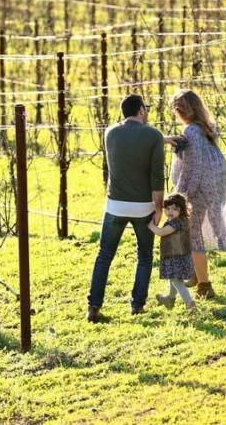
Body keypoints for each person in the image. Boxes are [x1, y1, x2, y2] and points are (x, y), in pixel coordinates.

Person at [87, 95, 165, 323]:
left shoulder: (110, 132)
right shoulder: (153, 136)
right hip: (143, 207)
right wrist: (158, 208)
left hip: (115, 205)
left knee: (104, 256)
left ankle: (93, 306)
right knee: (144, 255)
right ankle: (137, 305)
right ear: (141, 110)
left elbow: (130, 148)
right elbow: (156, 176)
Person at [169, 89, 226, 299]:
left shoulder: (191, 132)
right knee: (194, 232)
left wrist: (181, 194)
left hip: (199, 189)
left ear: (180, 111)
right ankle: (197, 276)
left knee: (193, 236)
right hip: (211, 187)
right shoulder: (202, 129)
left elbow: (194, 166)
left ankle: (205, 286)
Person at [148, 193, 196, 312]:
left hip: (175, 256)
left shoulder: (175, 223)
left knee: (176, 280)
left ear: (182, 210)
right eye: (168, 208)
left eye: (175, 209)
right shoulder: (182, 220)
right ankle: (170, 298)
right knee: (173, 278)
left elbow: (161, 232)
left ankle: (190, 303)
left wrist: (150, 225)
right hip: (179, 255)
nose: (170, 212)